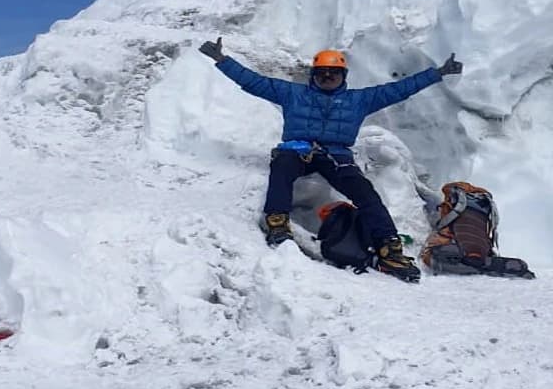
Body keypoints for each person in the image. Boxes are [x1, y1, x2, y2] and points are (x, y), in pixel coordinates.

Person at [198, 37, 463, 282]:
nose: (327, 77)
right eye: (322, 73)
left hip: (336, 156)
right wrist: (222, 60)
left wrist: (437, 73)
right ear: (314, 75)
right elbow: (255, 82)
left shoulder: (358, 100)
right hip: (297, 149)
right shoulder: (293, 93)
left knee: (365, 192)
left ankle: (389, 245)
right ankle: (277, 220)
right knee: (282, 166)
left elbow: (399, 90)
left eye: (333, 73)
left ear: (343, 76)